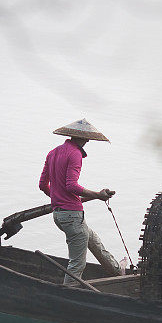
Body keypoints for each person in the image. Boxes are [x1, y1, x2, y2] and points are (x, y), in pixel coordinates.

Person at [39, 118, 122, 286]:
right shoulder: (75, 154)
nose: (88, 141)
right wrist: (97, 195)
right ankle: (66, 296)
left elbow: (42, 185)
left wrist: (58, 199)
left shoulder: (53, 152)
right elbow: (71, 186)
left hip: (60, 215)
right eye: (87, 138)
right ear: (84, 138)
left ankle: (118, 272)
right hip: (71, 216)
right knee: (77, 263)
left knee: (94, 241)